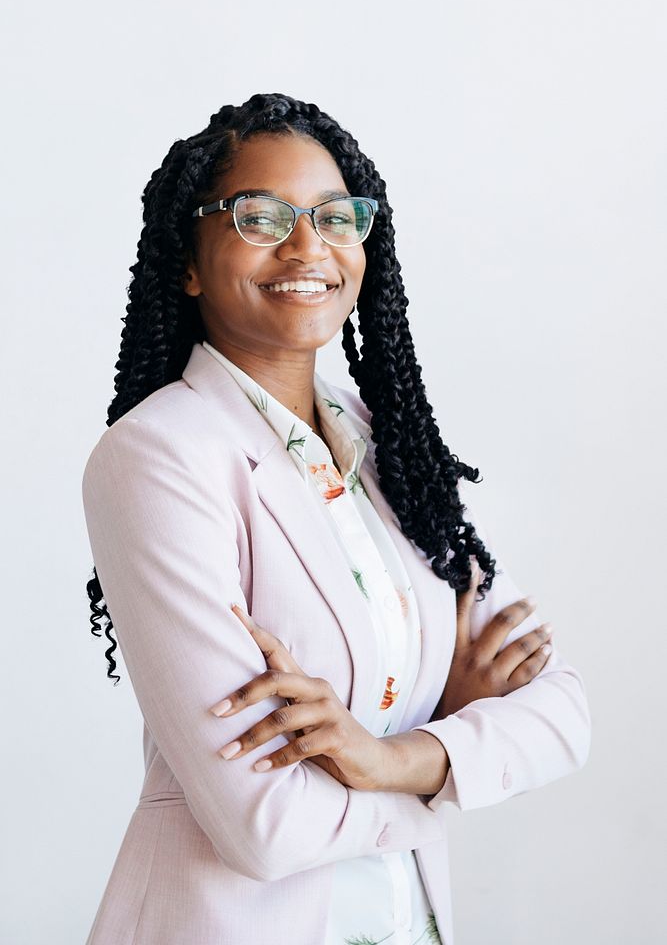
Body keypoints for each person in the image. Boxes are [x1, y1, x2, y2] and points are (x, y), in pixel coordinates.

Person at [81, 92, 591, 945]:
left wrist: (389, 756)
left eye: (333, 216)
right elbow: (265, 825)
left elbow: (563, 713)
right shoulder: (158, 458)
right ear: (188, 260)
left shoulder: (388, 445)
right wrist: (456, 758)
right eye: (260, 216)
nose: (308, 246)